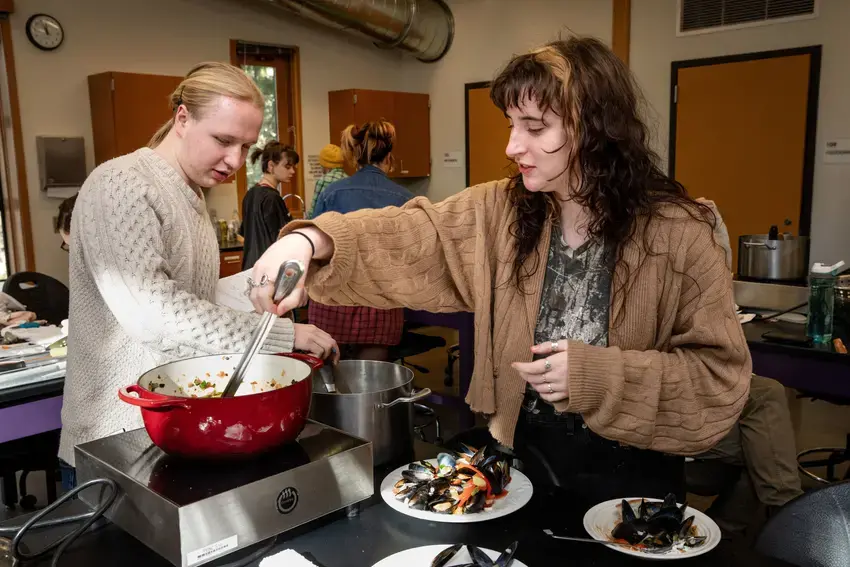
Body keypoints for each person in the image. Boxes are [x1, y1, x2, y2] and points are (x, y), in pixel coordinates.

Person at [249, 37, 752, 505]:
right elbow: (412, 235)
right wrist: (309, 239)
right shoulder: (502, 211)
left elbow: (717, 383)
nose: (513, 146)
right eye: (513, 125)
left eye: (535, 128)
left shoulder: (681, 231)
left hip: (634, 484)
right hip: (521, 466)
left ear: (596, 130)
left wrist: (598, 376)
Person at [58, 62, 338, 470]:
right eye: (223, 140)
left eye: (245, 146)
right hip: (115, 438)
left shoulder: (189, 194)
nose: (235, 159)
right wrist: (285, 334)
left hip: (175, 425)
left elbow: (195, 298)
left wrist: (268, 277)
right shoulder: (119, 184)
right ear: (183, 118)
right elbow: (153, 315)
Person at [309, 121, 414, 361]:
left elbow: (315, 247)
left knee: (330, 378)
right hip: (380, 296)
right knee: (372, 379)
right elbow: (409, 254)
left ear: (354, 155)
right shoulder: (405, 198)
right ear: (389, 155)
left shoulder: (332, 192)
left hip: (334, 294)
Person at [240, 140, 299, 270]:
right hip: (268, 269)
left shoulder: (250, 194)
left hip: (249, 268)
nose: (293, 171)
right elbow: (282, 240)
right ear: (271, 166)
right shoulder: (273, 198)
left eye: (293, 167)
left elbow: (242, 235)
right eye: (288, 167)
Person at [308, 144, 348, 218]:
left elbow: (314, 209)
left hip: (326, 224)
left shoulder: (323, 181)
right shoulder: (348, 179)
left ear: (324, 164)